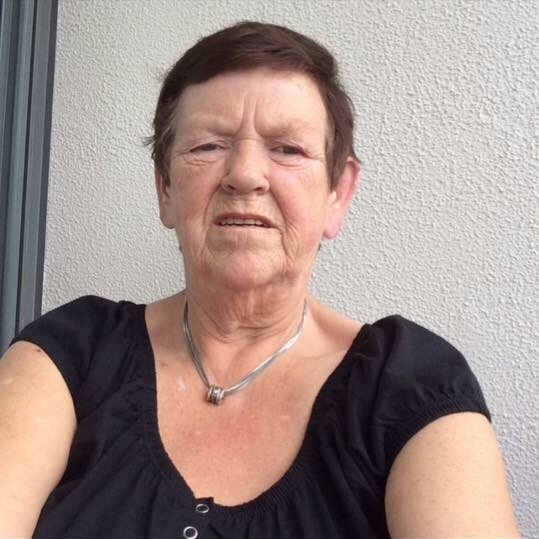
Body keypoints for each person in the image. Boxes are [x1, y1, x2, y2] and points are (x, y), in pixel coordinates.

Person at [0, 21, 520, 539]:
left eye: (288, 149)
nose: (245, 175)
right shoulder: (70, 356)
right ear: (165, 190)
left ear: (337, 194)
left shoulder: (410, 385)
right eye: (207, 146)